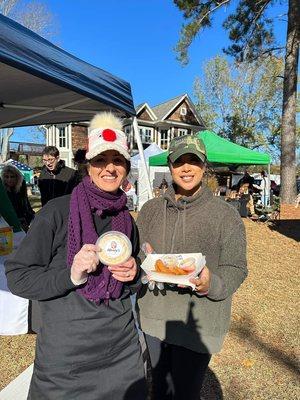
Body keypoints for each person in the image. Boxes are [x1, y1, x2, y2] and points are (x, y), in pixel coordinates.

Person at [5, 112, 147, 400]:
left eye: (117, 160)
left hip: (120, 348)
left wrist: (135, 274)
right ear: (88, 167)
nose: (110, 168)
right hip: (66, 357)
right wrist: (70, 275)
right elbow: (18, 277)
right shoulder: (57, 212)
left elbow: (133, 283)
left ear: (126, 168)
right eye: (100, 160)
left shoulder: (126, 220)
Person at [136, 135, 248, 399]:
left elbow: (237, 267)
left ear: (204, 165)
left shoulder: (225, 215)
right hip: (154, 317)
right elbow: (138, 251)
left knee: (186, 392)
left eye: (193, 161)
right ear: (170, 166)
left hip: (198, 322)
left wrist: (213, 283)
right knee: (160, 390)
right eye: (179, 162)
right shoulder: (151, 209)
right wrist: (144, 257)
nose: (186, 168)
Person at [1, 164, 35, 232]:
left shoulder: (21, 186)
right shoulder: (2, 190)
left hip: (23, 220)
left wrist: (32, 217)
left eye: (12, 177)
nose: (9, 179)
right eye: (6, 177)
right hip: (8, 223)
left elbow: (26, 203)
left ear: (17, 177)